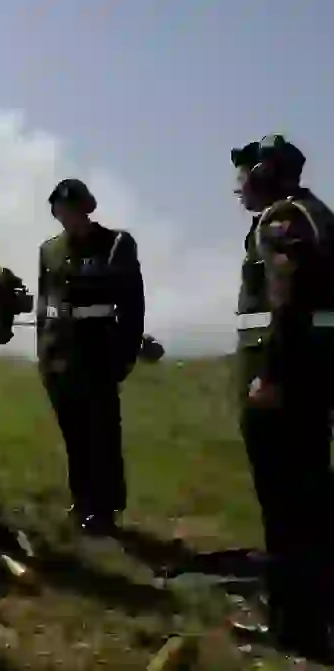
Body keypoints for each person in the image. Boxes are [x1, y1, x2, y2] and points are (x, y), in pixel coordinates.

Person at [228, 134, 334, 660]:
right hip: (310, 381)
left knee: (288, 509)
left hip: (284, 388)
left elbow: (286, 302)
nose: (238, 185)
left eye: (244, 173)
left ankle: (296, 630)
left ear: (267, 171)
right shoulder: (315, 214)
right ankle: (314, 615)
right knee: (311, 501)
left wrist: (270, 376)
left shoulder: (281, 220)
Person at [36, 178, 144, 535]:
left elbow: (132, 303)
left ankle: (105, 507)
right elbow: (44, 305)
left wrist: (125, 355)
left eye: (74, 208)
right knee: (74, 434)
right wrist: (43, 352)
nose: (67, 216)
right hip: (58, 352)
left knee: (101, 433)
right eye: (61, 210)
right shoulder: (49, 250)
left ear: (88, 207)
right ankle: (82, 500)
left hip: (97, 350)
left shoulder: (115, 244)